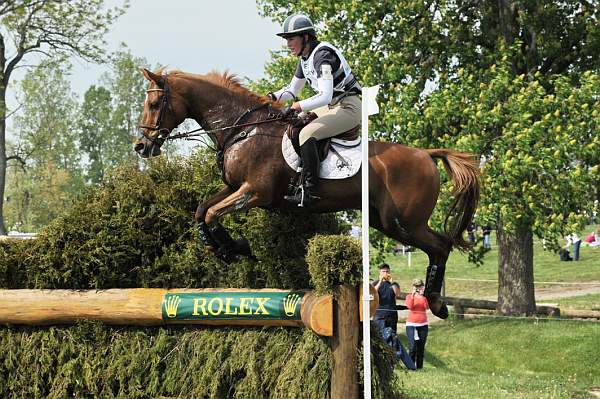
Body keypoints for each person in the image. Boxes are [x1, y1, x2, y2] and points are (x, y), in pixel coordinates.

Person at [268, 13, 362, 207]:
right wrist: (271, 97)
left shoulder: (322, 55)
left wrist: (297, 106)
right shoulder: (305, 58)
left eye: (291, 38)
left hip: (348, 107)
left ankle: (309, 192)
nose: (288, 44)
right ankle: (296, 180)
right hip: (330, 107)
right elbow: (293, 90)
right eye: (286, 39)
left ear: (306, 37)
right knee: (292, 126)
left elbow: (326, 95)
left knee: (307, 134)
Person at [405, 278, 429, 370]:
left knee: (421, 347)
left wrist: (423, 296)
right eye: (416, 286)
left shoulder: (424, 297)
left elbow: (426, 307)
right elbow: (410, 306)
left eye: (419, 286)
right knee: (412, 347)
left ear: (422, 286)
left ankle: (420, 367)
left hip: (423, 325)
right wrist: (413, 295)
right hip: (411, 324)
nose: (418, 288)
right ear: (413, 287)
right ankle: (411, 366)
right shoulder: (409, 296)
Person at [371, 263, 401, 333]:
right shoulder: (375, 283)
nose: (385, 273)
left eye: (387, 271)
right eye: (383, 271)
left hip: (392, 315)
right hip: (379, 315)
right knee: (380, 336)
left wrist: (391, 282)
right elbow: (373, 293)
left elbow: (398, 294)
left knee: (392, 336)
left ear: (389, 272)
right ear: (380, 272)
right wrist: (380, 281)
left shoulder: (394, 284)